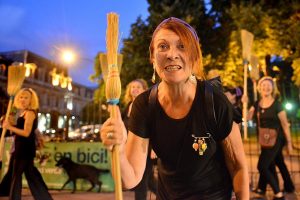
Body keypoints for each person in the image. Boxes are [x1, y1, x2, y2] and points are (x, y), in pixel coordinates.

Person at [100, 17, 249, 200]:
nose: (171, 54)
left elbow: (238, 167)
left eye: (182, 46)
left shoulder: (214, 101)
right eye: (163, 46)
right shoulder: (144, 105)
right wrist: (118, 149)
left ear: (194, 56)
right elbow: (129, 180)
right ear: (153, 58)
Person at [245, 76, 294, 199]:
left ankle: (278, 193)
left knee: (262, 166)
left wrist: (289, 143)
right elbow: (247, 118)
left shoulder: (277, 105)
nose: (266, 87)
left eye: (268, 85)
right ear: (259, 88)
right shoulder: (257, 104)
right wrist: (245, 104)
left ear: (272, 88)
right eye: (263, 85)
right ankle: (285, 187)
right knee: (277, 162)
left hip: (277, 139)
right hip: (264, 139)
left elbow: (284, 124)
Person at [2, 88, 53, 200]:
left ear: (31, 100)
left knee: (17, 176)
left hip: (24, 149)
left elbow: (26, 133)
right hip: (21, 148)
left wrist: (10, 127)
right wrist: (9, 125)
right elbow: (18, 131)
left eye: (26, 98)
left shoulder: (30, 113)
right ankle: (44, 198)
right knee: (31, 175)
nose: (23, 100)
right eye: (21, 97)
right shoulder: (23, 113)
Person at [122, 79, 157, 200]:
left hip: (144, 148)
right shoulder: (127, 107)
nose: (135, 89)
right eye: (133, 87)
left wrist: (154, 148)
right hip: (131, 147)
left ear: (144, 90)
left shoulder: (146, 106)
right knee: (150, 181)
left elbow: (153, 128)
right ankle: (170, 195)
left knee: (141, 180)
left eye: (138, 87)